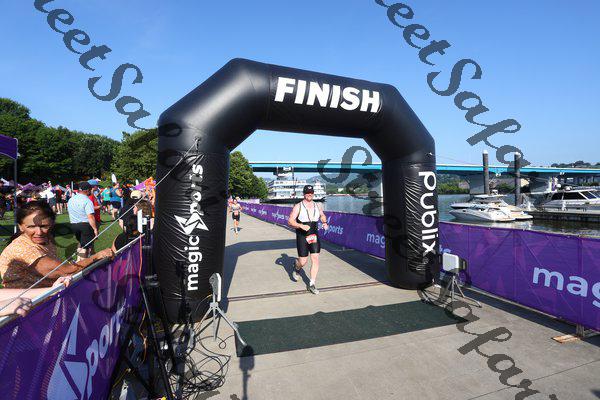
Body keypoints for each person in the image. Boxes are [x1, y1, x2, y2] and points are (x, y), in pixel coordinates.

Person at [0, 201, 112, 289]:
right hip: (28, 307)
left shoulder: (47, 239)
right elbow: (66, 271)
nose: (39, 232)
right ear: (20, 227)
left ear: (52, 224)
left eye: (44, 226)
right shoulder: (22, 249)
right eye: (31, 227)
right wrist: (97, 256)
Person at [287, 185, 328, 294]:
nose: (309, 194)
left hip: (314, 235)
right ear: (304, 194)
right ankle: (297, 267)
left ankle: (312, 284)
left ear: (313, 193)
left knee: (315, 258)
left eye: (311, 193)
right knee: (303, 261)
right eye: (307, 193)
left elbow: (322, 215)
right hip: (302, 236)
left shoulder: (318, 205)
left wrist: (324, 222)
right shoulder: (298, 206)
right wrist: (300, 226)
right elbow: (290, 221)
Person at [67, 182, 98, 260]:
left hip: (73, 225)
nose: (91, 191)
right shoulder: (87, 201)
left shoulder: (71, 199)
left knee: (81, 243)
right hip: (85, 225)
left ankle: (78, 260)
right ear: (87, 190)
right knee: (85, 247)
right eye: (90, 189)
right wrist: (95, 229)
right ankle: (82, 264)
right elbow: (90, 216)